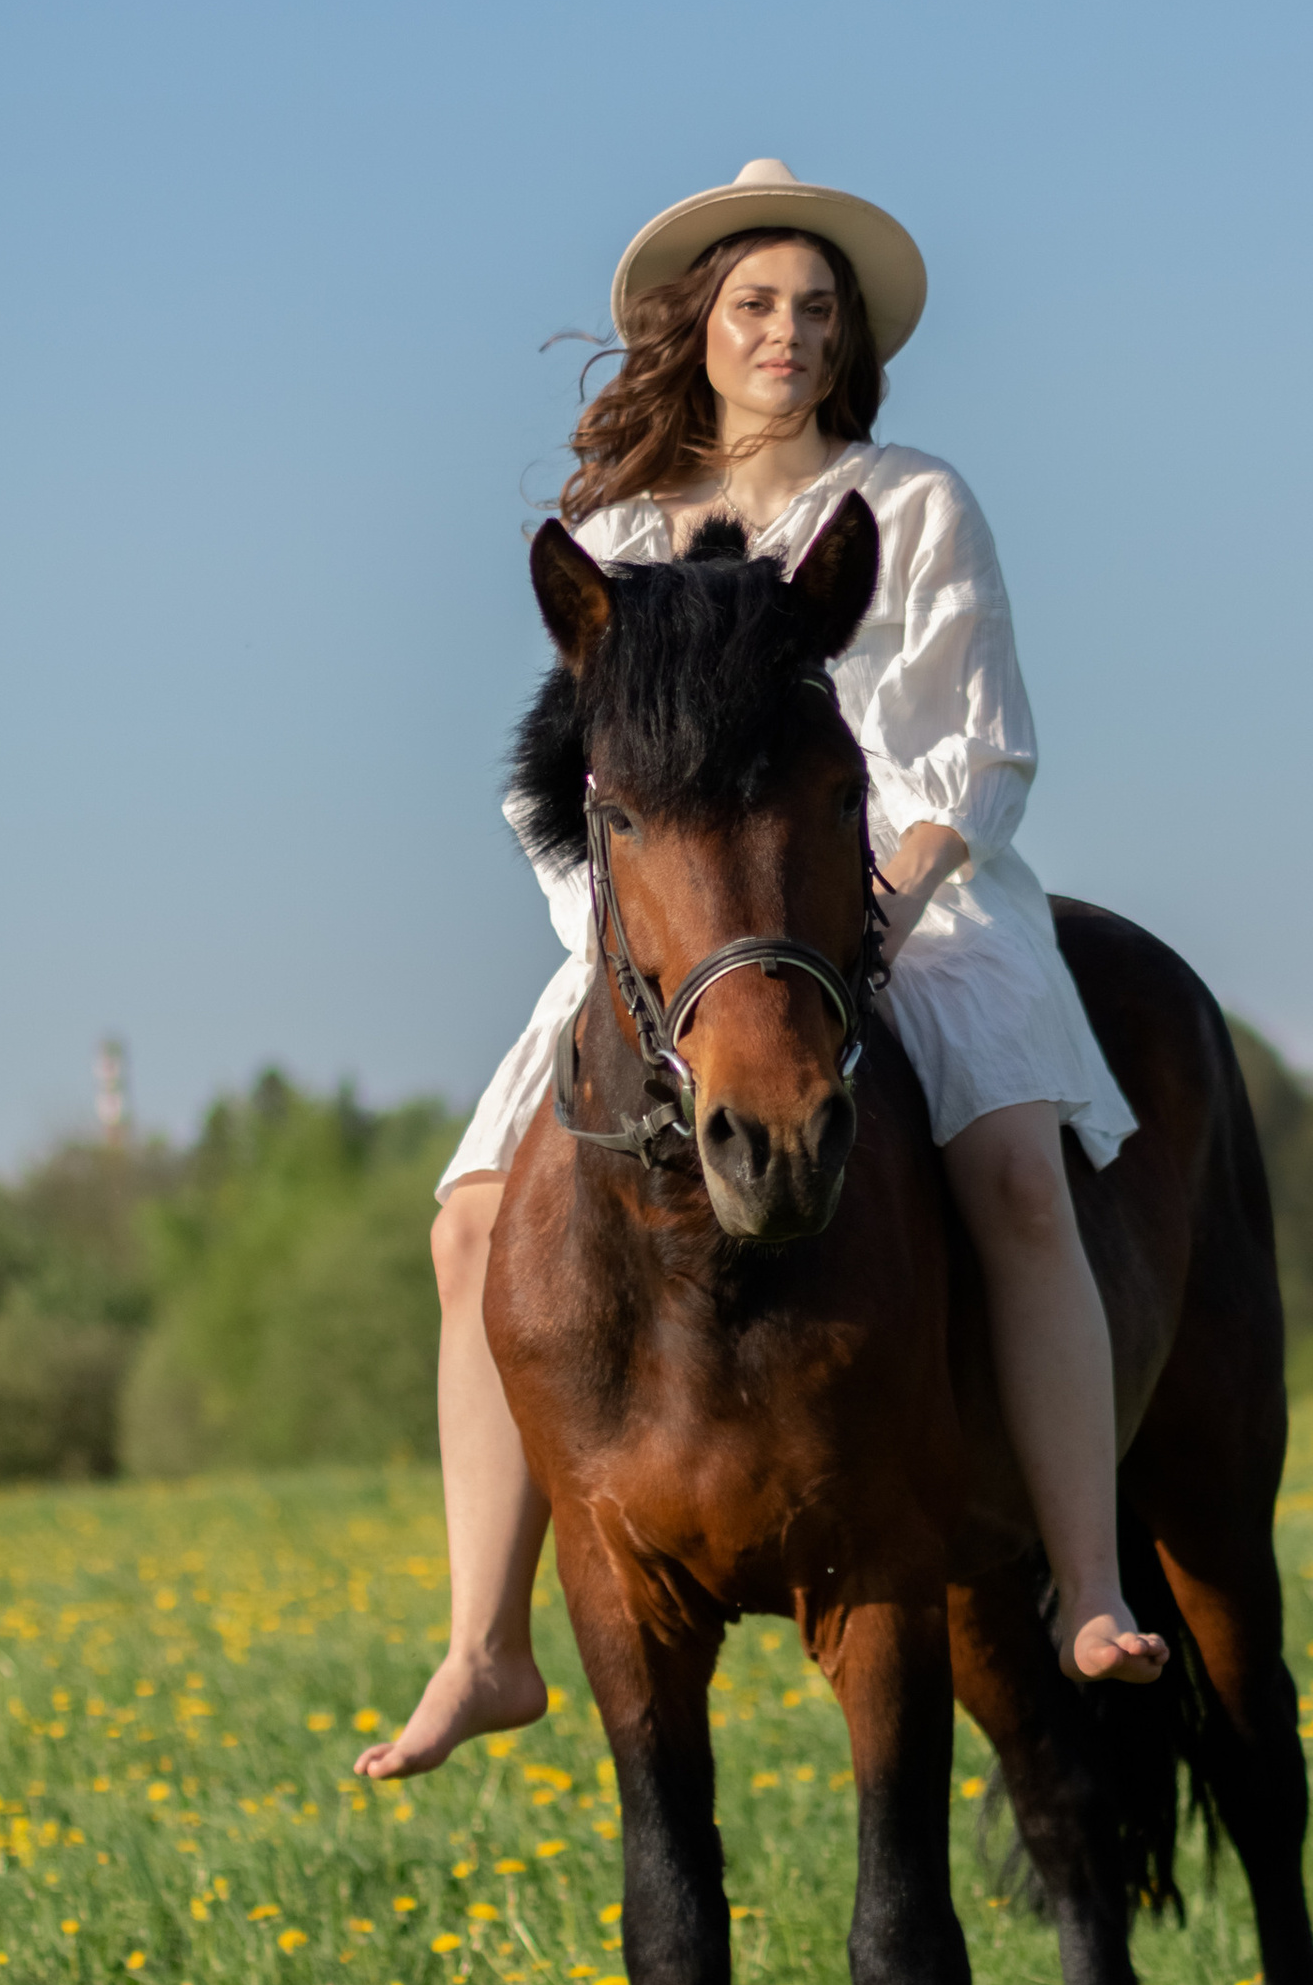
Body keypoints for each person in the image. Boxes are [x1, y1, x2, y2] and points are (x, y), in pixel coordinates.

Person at [357, 157, 1164, 1782]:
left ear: (847, 338)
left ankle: (1083, 1578)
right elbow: (581, 787)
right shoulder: (614, 534)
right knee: (463, 1229)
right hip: (669, 943)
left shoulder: (914, 503)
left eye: (814, 308)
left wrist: (889, 884)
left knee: (1013, 1169)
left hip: (913, 898)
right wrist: (646, 948)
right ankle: (484, 1644)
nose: (786, 332)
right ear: (699, 330)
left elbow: (983, 749)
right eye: (754, 306)